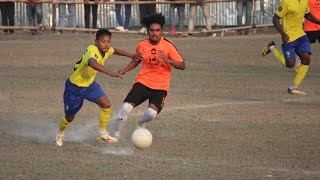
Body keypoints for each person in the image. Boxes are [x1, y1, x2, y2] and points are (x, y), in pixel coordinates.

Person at [55, 28, 141, 146]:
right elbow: (93, 63)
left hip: (90, 85)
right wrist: (111, 73)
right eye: (103, 41)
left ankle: (102, 133)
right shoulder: (92, 50)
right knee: (70, 117)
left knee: (106, 104)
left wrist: (131, 55)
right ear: (96, 42)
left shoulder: (106, 50)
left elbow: (114, 51)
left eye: (108, 41)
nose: (106, 44)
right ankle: (60, 132)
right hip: (74, 88)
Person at [113, 13, 186, 139]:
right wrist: (125, 70)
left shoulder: (168, 46)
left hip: (161, 87)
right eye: (152, 30)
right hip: (143, 82)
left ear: (162, 31)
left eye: (157, 30)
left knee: (151, 114)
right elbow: (136, 60)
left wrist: (169, 61)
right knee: (125, 108)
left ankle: (139, 123)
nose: (155, 33)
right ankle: (115, 136)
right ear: (147, 31)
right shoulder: (142, 45)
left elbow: (182, 65)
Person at [261, 0, 320, 95]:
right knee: (289, 64)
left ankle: (293, 87)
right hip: (288, 37)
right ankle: (271, 47)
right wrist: (283, 34)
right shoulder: (286, 2)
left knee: (306, 59)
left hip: (301, 35)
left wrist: (318, 22)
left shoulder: (305, 1)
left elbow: (307, 14)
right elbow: (275, 18)